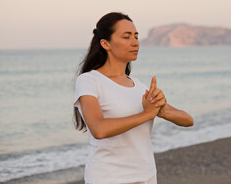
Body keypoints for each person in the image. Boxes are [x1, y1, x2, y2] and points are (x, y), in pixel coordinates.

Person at [73, 12, 194, 184]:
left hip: (146, 176)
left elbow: (188, 120)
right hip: (109, 178)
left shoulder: (139, 86)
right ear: (105, 43)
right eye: (126, 36)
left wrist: (162, 111)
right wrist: (147, 114)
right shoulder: (89, 81)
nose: (135, 42)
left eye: (136, 36)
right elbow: (99, 129)